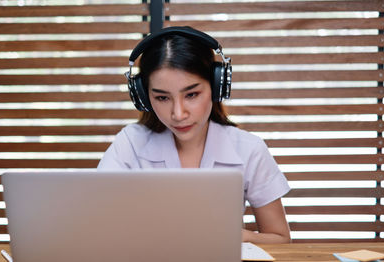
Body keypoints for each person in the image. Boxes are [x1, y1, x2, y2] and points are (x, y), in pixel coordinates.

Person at [97, 26, 291, 244]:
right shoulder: (131, 143)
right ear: (144, 97)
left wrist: (229, 236)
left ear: (216, 87)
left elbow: (280, 239)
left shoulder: (248, 149)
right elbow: (97, 226)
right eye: (162, 98)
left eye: (191, 94)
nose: (178, 114)